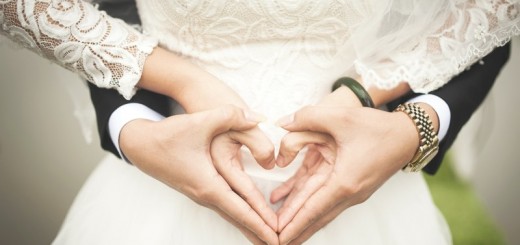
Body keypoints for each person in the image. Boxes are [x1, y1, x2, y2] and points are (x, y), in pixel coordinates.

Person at [0, 0, 517, 244]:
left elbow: (489, 13)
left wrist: (401, 123)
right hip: (161, 200)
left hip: (368, 199)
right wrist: (169, 94)